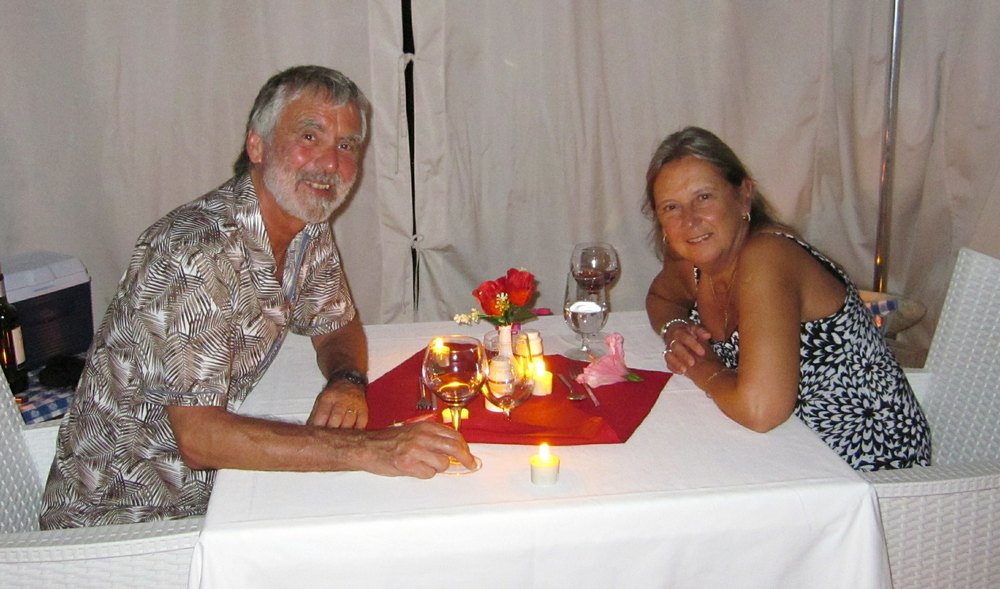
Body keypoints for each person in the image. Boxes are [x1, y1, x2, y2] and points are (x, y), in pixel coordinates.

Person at [40, 66, 476, 529]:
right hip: (133, 521)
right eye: (310, 136)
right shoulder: (196, 255)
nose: (330, 163)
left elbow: (336, 322)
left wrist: (346, 379)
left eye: (346, 145)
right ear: (257, 145)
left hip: (213, 490)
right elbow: (201, 439)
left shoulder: (305, 223)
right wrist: (371, 449)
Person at [643, 126, 930, 471]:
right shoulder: (693, 260)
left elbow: (760, 410)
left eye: (704, 197)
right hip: (785, 447)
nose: (689, 220)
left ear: (743, 195)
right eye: (671, 207)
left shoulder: (768, 258)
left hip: (866, 465)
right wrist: (675, 329)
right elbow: (661, 298)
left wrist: (703, 368)